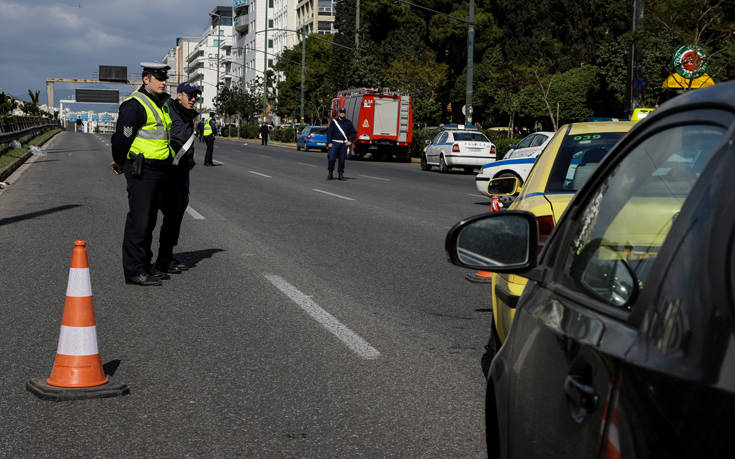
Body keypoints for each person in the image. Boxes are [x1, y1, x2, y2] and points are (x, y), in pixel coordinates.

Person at [110, 62, 173, 286]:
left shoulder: (159, 103)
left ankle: (145, 265)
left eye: (165, 77)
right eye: (159, 78)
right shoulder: (135, 104)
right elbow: (121, 138)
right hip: (141, 169)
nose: (164, 81)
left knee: (150, 220)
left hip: (158, 169)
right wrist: (119, 161)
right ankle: (134, 271)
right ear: (146, 79)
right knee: (140, 220)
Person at [155, 82, 200, 274]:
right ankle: (147, 262)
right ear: (179, 95)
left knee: (175, 216)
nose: (193, 99)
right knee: (151, 217)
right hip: (166, 171)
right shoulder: (169, 111)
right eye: (189, 95)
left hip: (182, 172)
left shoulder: (188, 116)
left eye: (195, 96)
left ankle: (165, 257)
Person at [326, 107, 356, 180]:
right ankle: (330, 173)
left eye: (343, 112)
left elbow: (353, 132)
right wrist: (329, 142)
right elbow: (329, 133)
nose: (342, 114)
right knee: (332, 159)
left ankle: (340, 174)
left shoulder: (348, 122)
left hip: (343, 144)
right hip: (334, 143)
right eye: (341, 112)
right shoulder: (334, 122)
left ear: (345, 114)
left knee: (342, 160)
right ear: (339, 113)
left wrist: (350, 141)